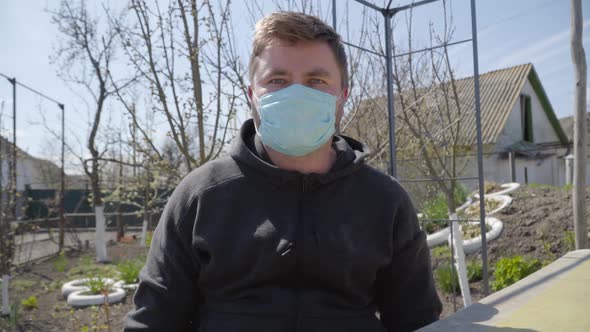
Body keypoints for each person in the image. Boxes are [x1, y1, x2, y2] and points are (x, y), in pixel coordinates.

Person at [124, 11, 442, 332]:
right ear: (252, 95)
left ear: (343, 95)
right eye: (277, 80)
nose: (296, 95)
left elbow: (417, 319)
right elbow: (153, 320)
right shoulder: (200, 195)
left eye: (316, 81)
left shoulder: (384, 201)